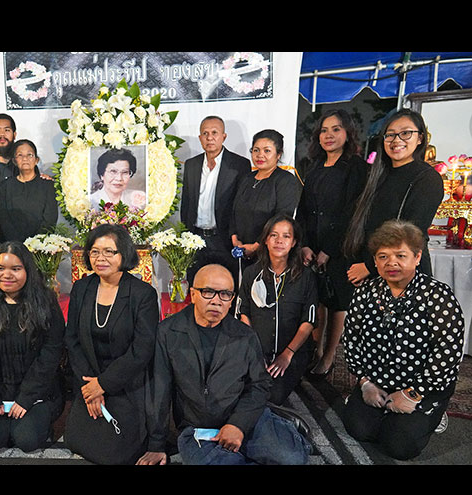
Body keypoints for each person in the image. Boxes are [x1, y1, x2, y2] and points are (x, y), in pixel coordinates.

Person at [136, 264, 312, 466]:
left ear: (232, 301)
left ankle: (279, 425)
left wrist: (238, 425)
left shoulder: (245, 335)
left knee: (291, 458)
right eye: (208, 292)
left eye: (225, 294)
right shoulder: (168, 332)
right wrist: (156, 445)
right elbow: (159, 388)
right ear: (193, 295)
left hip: (245, 417)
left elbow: (260, 385)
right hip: (199, 427)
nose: (216, 301)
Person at [341, 220, 464, 460]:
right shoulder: (365, 293)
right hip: (377, 380)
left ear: (417, 257)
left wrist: (413, 393)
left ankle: (434, 410)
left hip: (424, 385)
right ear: (375, 261)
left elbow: (447, 353)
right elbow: (352, 340)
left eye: (400, 255)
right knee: (359, 429)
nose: (391, 263)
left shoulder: (437, 296)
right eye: (383, 257)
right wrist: (365, 382)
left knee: (399, 445)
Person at [63, 224, 159, 465]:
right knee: (75, 439)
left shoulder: (142, 294)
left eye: (109, 252)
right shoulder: (81, 288)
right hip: (89, 378)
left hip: (125, 382)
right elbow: (72, 339)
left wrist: (103, 384)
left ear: (123, 254)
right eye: (95, 252)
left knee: (118, 452)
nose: (100, 258)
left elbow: (142, 350)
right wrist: (90, 387)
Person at [0, 242, 66, 454]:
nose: (7, 275)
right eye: (0, 268)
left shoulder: (46, 302)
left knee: (27, 440)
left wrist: (26, 398)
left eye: (15, 269)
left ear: (28, 270)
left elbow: (51, 354)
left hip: (35, 394)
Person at [295, 109, 369, 377]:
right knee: (318, 299)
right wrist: (304, 244)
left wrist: (329, 249)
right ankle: (315, 350)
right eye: (324, 130)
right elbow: (304, 208)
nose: (329, 135)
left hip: (342, 247)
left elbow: (352, 212)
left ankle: (329, 356)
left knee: (338, 302)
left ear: (348, 133)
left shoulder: (357, 167)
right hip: (313, 244)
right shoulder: (314, 166)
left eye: (336, 129)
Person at [343, 108, 444, 288]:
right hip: (372, 273)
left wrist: (369, 266)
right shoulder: (377, 175)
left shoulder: (427, 178)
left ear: (420, 138)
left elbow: (412, 231)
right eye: (390, 135)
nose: (397, 140)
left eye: (405, 133)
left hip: (403, 272)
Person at [237, 215, 318, 406]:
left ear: (294, 242)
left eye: (286, 236)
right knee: (238, 387)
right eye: (274, 235)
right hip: (256, 350)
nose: (279, 241)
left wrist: (287, 355)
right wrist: (254, 353)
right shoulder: (251, 273)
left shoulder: (306, 277)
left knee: (272, 396)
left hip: (291, 353)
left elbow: (309, 321)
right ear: (265, 240)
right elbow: (243, 313)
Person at [180, 115, 252, 284]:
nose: (209, 137)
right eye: (205, 133)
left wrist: (235, 235)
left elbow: (241, 206)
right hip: (195, 239)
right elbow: (186, 204)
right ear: (200, 138)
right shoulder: (191, 164)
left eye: (214, 133)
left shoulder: (239, 164)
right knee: (196, 285)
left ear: (224, 136)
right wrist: (186, 235)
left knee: (225, 286)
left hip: (224, 239)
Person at [229, 129, 303, 283]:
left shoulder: (285, 180)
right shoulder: (247, 178)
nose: (260, 155)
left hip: (271, 254)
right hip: (243, 252)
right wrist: (235, 239)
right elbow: (234, 211)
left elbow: (282, 218)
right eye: (256, 150)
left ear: (278, 154)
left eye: (267, 151)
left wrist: (257, 246)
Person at [0, 139, 57, 243]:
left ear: (36, 160)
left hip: (41, 246)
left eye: (29, 155)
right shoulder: (3, 187)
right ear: (14, 161)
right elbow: (3, 219)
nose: (25, 159)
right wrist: (17, 244)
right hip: (12, 244)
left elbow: (50, 219)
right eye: (20, 155)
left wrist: (36, 243)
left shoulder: (47, 186)